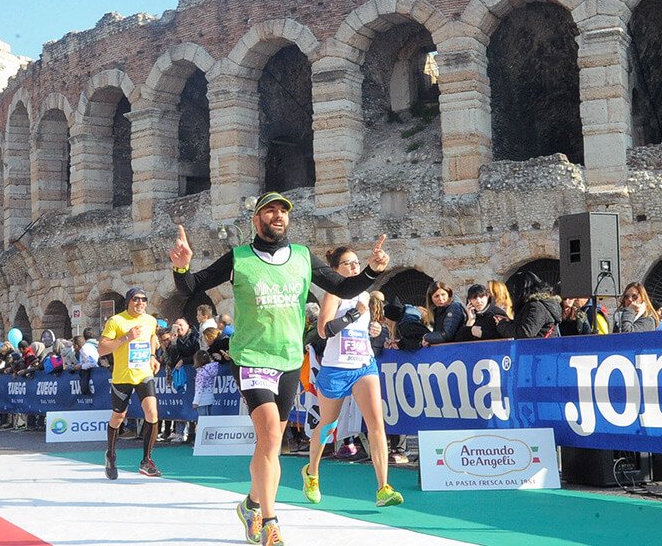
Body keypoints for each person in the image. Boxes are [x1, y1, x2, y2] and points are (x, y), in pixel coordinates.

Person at [172, 191, 389, 546]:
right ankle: (269, 521)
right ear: (256, 219)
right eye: (270, 210)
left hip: (289, 359)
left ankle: (251, 504)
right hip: (251, 358)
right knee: (271, 435)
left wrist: (372, 271)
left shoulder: (302, 256)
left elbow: (344, 286)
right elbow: (191, 286)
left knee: (269, 446)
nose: (277, 215)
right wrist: (181, 267)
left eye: (283, 211)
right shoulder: (239, 257)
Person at [301, 246, 404, 509]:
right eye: (347, 264)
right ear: (335, 270)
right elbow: (324, 330)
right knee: (328, 425)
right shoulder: (334, 294)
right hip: (336, 368)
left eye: (356, 262)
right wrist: (353, 314)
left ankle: (383, 488)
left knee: (376, 424)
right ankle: (312, 473)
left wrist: (374, 330)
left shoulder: (365, 294)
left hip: (363, 366)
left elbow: (360, 330)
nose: (355, 267)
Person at [97, 287, 164, 479]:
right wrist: (126, 337)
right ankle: (110, 455)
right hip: (123, 376)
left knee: (152, 413)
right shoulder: (116, 321)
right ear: (128, 301)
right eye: (136, 299)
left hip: (144, 374)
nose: (140, 303)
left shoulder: (150, 320)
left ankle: (146, 461)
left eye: (144, 299)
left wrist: (152, 356)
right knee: (119, 416)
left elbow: (152, 337)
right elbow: (102, 349)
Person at [494, 270, 565, 338]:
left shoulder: (536, 307)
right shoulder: (541, 305)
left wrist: (502, 325)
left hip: (538, 346)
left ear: (519, 291)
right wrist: (508, 322)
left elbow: (526, 332)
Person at [422, 281, 467, 345]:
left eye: (443, 294)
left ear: (449, 295)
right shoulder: (438, 310)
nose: (440, 298)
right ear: (431, 298)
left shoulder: (454, 308)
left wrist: (426, 337)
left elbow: (446, 335)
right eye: (436, 296)